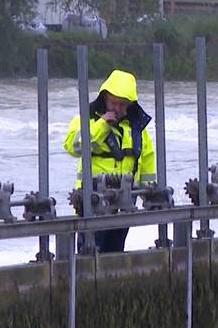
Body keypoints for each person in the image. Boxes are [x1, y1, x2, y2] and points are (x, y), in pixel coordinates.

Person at [64, 69, 157, 253]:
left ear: (130, 104)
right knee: (89, 252)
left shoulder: (137, 128)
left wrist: (150, 195)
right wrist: (102, 125)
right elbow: (73, 147)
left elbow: (147, 159)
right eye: (113, 102)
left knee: (115, 253)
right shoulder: (86, 119)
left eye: (122, 105)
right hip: (93, 201)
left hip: (125, 202)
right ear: (104, 97)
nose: (117, 108)